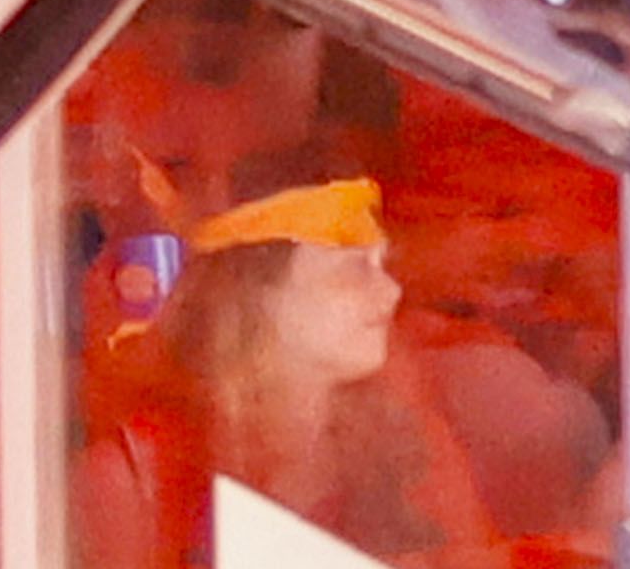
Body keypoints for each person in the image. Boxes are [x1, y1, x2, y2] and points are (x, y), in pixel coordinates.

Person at [68, 179, 501, 569]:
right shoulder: (134, 479)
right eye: (353, 270)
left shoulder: (410, 446)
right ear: (256, 297)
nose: (390, 292)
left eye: (381, 264)